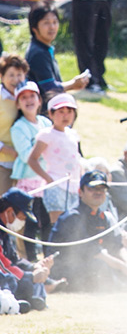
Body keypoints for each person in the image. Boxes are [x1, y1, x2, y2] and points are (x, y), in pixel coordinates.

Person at [49, 171, 127, 292]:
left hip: (90, 263)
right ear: (80, 192)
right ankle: (122, 287)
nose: (98, 192)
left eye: (102, 189)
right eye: (92, 188)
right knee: (99, 264)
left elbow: (117, 246)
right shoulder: (72, 217)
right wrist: (124, 267)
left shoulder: (102, 217)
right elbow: (94, 252)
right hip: (67, 269)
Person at [10, 81, 52, 260]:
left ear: (39, 100)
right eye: (23, 97)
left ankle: (49, 259)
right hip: (29, 181)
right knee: (31, 224)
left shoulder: (45, 122)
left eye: (32, 96)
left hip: (48, 180)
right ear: (18, 104)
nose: (28, 100)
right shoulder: (18, 127)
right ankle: (32, 261)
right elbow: (27, 155)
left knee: (47, 222)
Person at [0, 189, 60, 311]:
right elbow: (3, 268)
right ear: (10, 212)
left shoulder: (4, 233)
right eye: (22, 217)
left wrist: (35, 267)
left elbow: (14, 260)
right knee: (12, 281)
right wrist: (30, 277)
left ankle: (32, 299)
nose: (23, 222)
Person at [28, 93, 83, 225]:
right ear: (51, 114)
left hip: (73, 185)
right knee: (57, 223)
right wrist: (48, 178)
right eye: (61, 112)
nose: (65, 115)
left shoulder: (73, 135)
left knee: (73, 222)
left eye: (69, 111)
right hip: (56, 185)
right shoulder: (47, 135)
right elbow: (32, 159)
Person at [25, 5, 90, 104]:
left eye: (55, 22)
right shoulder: (38, 53)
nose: (52, 27)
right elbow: (49, 88)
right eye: (46, 23)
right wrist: (73, 84)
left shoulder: (44, 48)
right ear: (34, 27)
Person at [0, 55, 29, 194]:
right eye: (11, 75)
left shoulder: (28, 98)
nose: (15, 80)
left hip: (24, 166)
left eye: (19, 75)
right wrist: (9, 151)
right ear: (1, 76)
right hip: (3, 163)